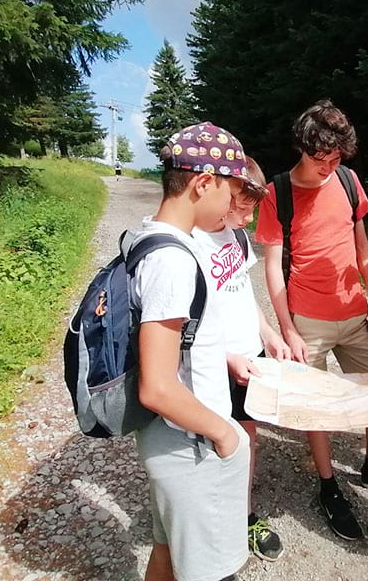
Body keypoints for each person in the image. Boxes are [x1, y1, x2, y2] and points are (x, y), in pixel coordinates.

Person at [255, 99, 368, 541]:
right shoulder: (277, 193)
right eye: (319, 158)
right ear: (301, 147)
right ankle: (328, 485)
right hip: (308, 319)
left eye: (336, 158)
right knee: (316, 408)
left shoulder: (347, 181)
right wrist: (286, 328)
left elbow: (362, 246)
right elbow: (272, 268)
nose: (328, 166)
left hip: (355, 314)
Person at [132, 121, 252, 581]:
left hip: (172, 438)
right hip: (190, 442)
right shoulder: (173, 261)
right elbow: (158, 387)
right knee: (210, 570)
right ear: (204, 183)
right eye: (230, 191)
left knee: (168, 551)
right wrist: (225, 434)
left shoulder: (150, 237)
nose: (232, 206)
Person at [191, 156, 290, 562]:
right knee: (215, 441)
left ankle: (245, 515)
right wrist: (227, 356)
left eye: (252, 210)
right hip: (215, 364)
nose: (247, 219)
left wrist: (269, 334)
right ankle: (207, 523)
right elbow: (187, 325)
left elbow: (242, 293)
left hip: (249, 357)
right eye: (241, 208)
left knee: (248, 437)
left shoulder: (236, 237)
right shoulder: (192, 241)